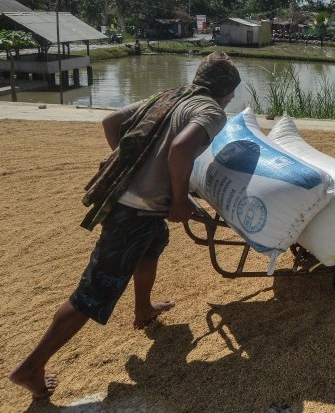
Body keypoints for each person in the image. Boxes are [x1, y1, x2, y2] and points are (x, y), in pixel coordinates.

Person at [8, 51, 241, 400]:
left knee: (153, 244)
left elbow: (111, 121)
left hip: (132, 204)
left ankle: (143, 308)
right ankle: (30, 367)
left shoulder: (169, 95)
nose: (231, 99)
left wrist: (134, 167)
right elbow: (181, 149)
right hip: (136, 211)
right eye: (232, 93)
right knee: (93, 292)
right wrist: (178, 199)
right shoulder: (211, 111)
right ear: (226, 91)